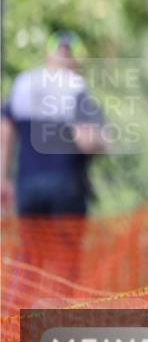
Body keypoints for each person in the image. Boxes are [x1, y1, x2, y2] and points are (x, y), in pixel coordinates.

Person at [1, 30, 104, 216]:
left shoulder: (23, 83)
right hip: (66, 184)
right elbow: (86, 141)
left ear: (48, 55)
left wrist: (3, 178)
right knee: (65, 245)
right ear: (75, 60)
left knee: (31, 244)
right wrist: (102, 142)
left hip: (27, 183)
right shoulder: (75, 86)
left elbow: (5, 134)